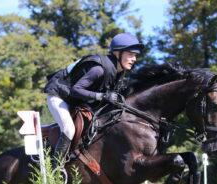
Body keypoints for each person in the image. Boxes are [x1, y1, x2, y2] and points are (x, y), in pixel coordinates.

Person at [43, 32, 144, 162]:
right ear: (118, 54)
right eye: (130, 54)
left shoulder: (119, 72)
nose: (134, 59)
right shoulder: (99, 69)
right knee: (68, 129)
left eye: (135, 55)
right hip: (59, 96)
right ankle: (55, 168)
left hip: (76, 101)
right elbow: (76, 90)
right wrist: (102, 96)